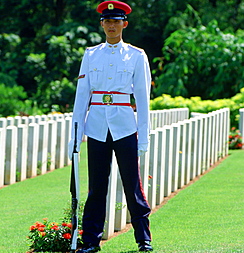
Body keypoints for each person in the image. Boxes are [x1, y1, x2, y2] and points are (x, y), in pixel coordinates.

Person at [68, 1, 153, 252]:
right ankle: (91, 241)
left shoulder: (137, 55)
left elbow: (143, 99)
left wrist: (144, 137)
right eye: (107, 21)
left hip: (125, 125)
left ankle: (143, 239)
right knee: (97, 187)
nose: (112, 25)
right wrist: (75, 134)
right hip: (96, 126)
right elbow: (82, 96)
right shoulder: (91, 54)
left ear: (124, 24)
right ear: (102, 24)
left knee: (132, 184)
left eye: (117, 21)